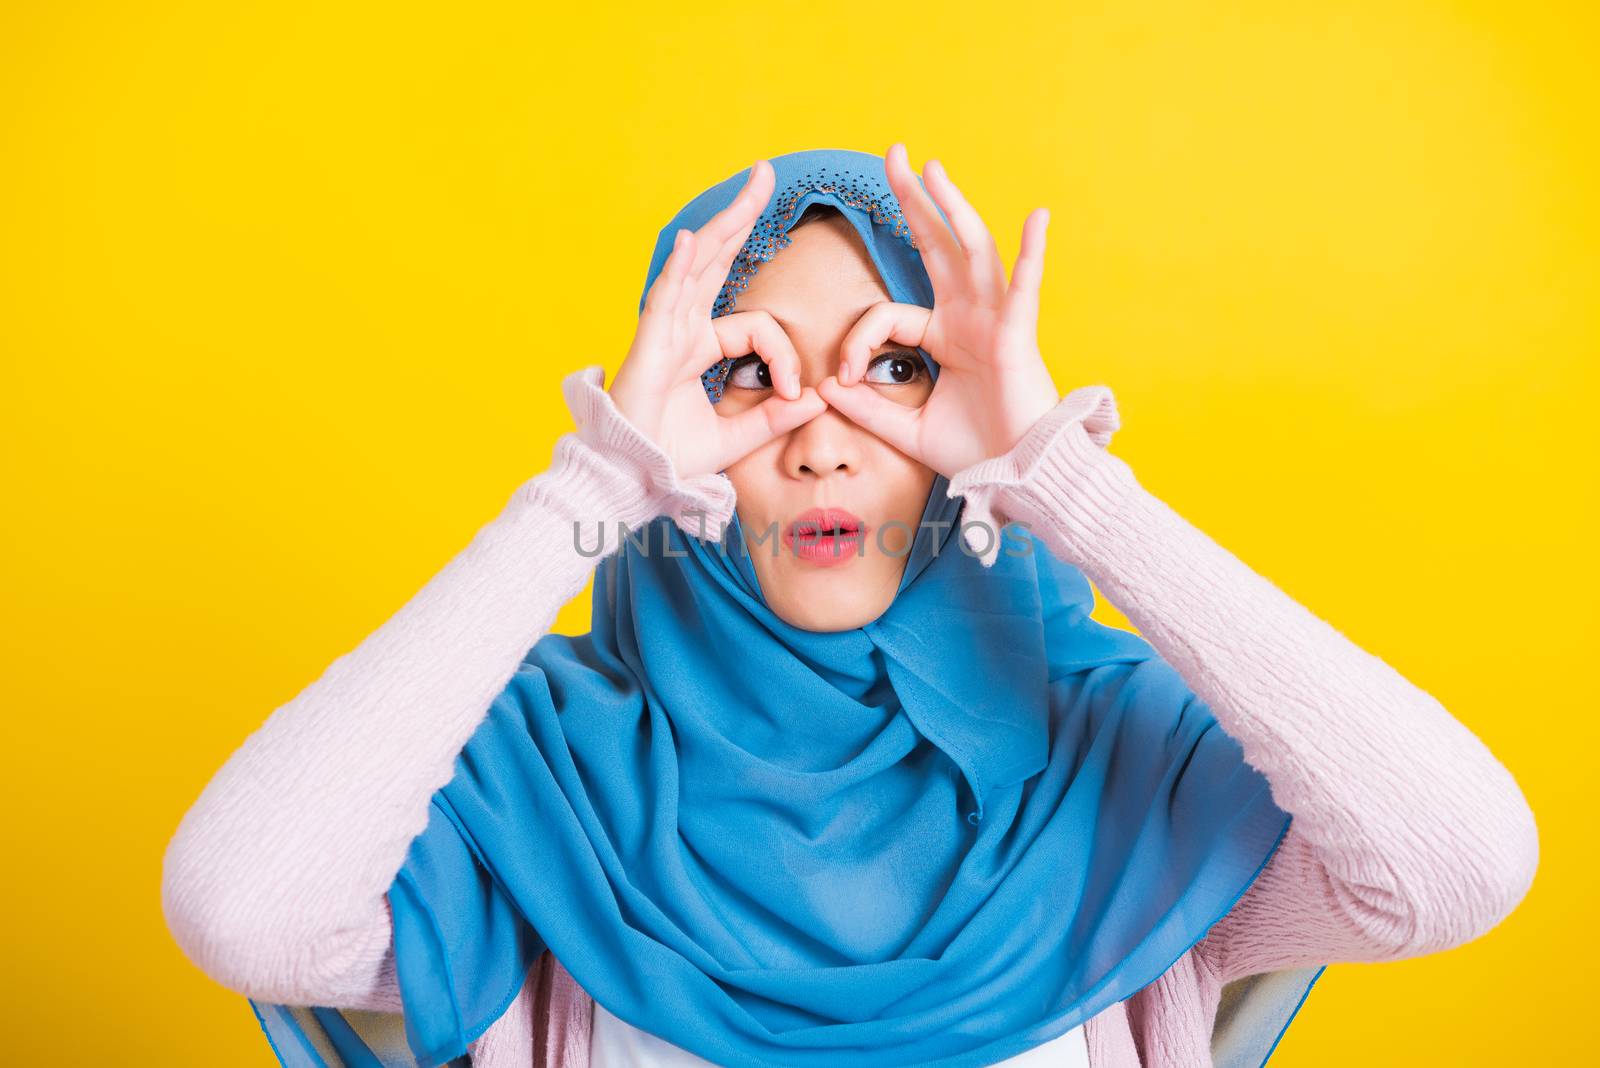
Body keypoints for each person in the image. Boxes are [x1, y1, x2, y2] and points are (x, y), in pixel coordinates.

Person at [160, 146, 1539, 1068]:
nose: (820, 441)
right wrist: (588, 496)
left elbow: (1458, 864)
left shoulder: (1115, 764)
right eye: (746, 377)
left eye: (895, 370)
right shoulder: (543, 773)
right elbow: (244, 911)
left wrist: (1062, 479)